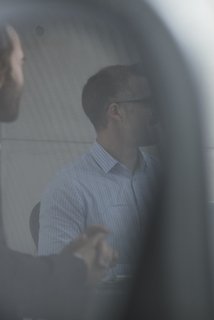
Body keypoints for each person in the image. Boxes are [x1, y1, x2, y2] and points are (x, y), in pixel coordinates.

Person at [0, 24, 118, 318]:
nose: (22, 75)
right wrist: (75, 267)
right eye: (21, 62)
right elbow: (5, 278)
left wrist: (68, 263)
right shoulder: (68, 185)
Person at [38, 64, 160, 278]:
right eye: (148, 103)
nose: (157, 111)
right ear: (116, 111)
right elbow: (55, 285)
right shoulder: (67, 188)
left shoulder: (163, 176)